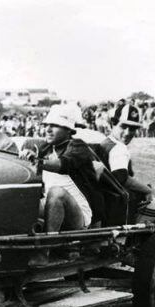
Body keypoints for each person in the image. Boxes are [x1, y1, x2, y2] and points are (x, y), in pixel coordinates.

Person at [19, 105, 101, 265]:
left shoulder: (78, 146)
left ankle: (44, 252)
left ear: (69, 130)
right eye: (46, 125)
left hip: (79, 216)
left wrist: (36, 160)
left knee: (57, 193)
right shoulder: (45, 148)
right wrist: (24, 157)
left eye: (54, 126)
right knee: (22, 198)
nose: (48, 129)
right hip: (53, 209)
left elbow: (62, 164)